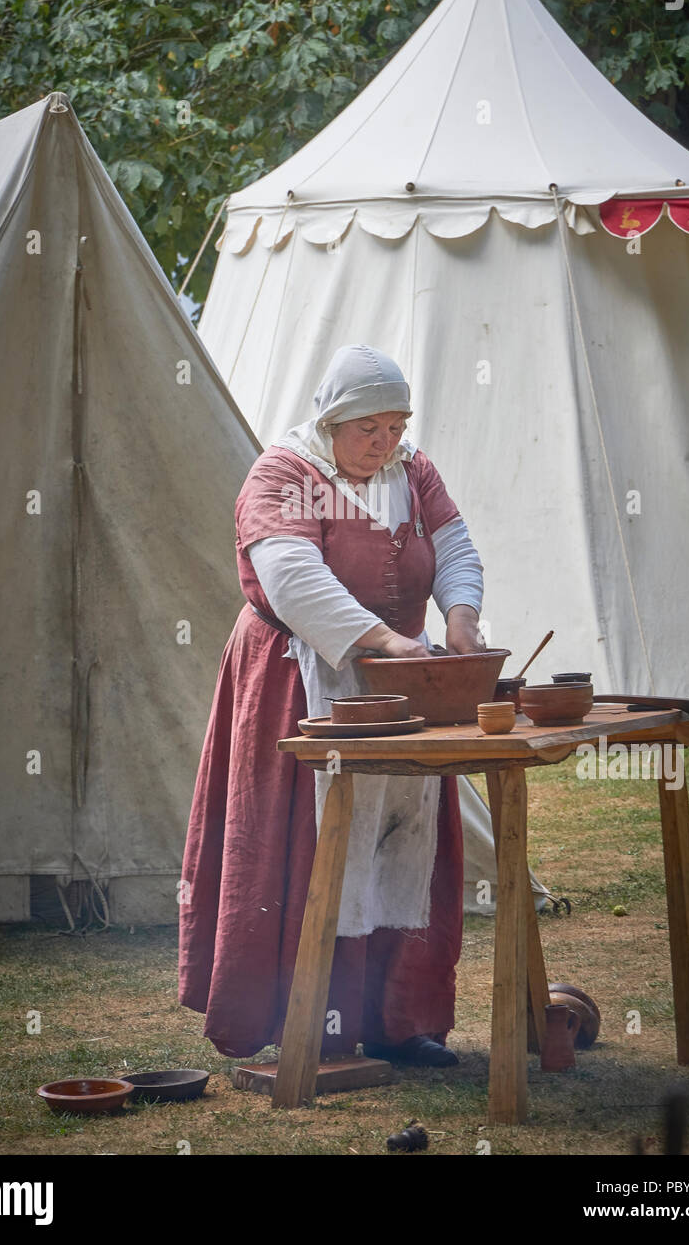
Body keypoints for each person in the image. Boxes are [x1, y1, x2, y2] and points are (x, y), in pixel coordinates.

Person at [178, 345, 489, 1067]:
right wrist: (383, 639)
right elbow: (290, 577)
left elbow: (455, 544)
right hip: (301, 678)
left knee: (398, 843)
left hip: (400, 681)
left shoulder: (413, 470)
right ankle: (304, 1023)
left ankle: (398, 1018)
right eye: (368, 429)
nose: (385, 443)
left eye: (395, 425)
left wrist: (461, 619)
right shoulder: (284, 473)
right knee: (305, 843)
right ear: (331, 420)